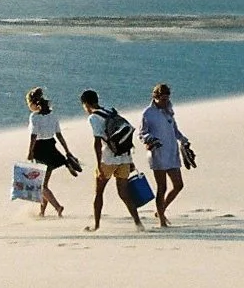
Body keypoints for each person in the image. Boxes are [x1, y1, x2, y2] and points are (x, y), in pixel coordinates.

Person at [80, 89, 144, 232]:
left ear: (85, 104)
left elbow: (97, 142)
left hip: (108, 159)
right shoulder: (111, 111)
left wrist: (98, 166)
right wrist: (130, 160)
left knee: (99, 193)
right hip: (124, 157)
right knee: (124, 193)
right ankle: (138, 223)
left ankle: (96, 226)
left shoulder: (93, 118)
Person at [139, 82, 193, 229]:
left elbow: (174, 130)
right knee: (161, 187)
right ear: (155, 97)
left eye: (167, 98)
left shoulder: (169, 110)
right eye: (162, 99)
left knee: (178, 185)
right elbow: (142, 133)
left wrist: (184, 140)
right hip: (157, 153)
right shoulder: (148, 113)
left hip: (172, 152)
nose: (165, 101)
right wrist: (150, 139)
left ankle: (160, 210)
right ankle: (161, 220)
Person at [25, 87, 77, 217]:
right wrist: (67, 151)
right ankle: (42, 212)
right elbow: (59, 135)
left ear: (33, 103)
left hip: (40, 150)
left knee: (41, 185)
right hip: (51, 147)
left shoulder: (34, 117)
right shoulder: (52, 115)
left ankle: (58, 207)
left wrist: (30, 152)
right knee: (44, 184)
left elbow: (33, 136)